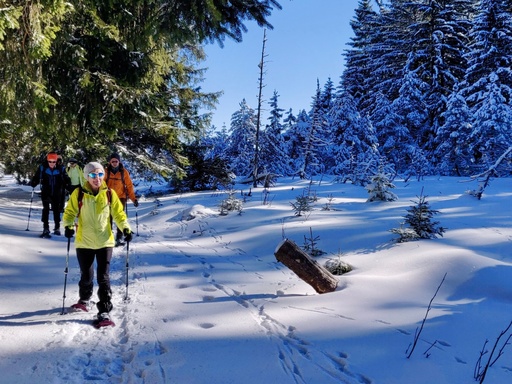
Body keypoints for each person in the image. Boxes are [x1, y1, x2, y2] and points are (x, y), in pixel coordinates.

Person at [62, 161, 133, 325]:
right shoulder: (78, 193)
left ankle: (104, 311)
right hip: (84, 242)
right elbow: (70, 212)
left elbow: (119, 214)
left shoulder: (109, 193)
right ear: (87, 176)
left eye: (100, 174)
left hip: (104, 241)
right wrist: (68, 226)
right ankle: (85, 299)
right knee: (86, 276)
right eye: (93, 175)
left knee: (103, 277)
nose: (97, 178)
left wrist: (126, 229)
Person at [30, 152, 71, 238]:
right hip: (46, 192)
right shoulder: (43, 168)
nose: (52, 163)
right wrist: (34, 182)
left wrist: (68, 184)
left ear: (56, 161)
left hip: (57, 193)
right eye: (50, 161)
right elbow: (37, 177)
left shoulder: (61, 169)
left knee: (56, 210)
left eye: (54, 162)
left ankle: (57, 228)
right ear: (47, 161)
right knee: (46, 210)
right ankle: (46, 228)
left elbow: (66, 178)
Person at [104, 153, 138, 246]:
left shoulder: (124, 172)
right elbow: (102, 184)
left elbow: (129, 186)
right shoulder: (106, 172)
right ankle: (108, 236)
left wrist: (133, 199)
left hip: (121, 197)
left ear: (119, 161)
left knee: (120, 217)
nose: (114, 163)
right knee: (108, 217)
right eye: (112, 161)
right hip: (109, 197)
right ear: (110, 162)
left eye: (116, 161)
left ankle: (119, 237)